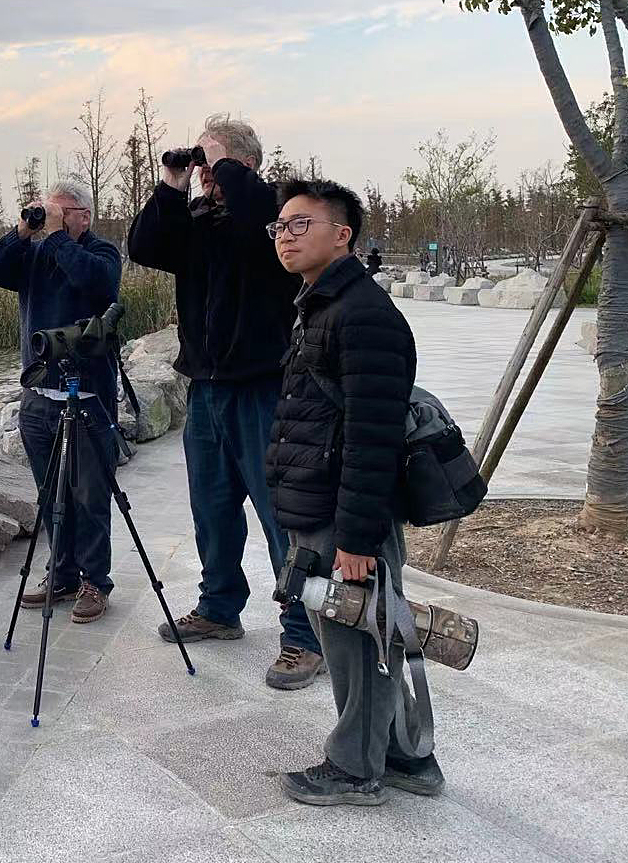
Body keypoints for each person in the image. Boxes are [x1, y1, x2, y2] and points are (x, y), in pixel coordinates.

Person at [127, 114, 323, 690]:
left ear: (241, 165)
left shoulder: (276, 216)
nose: (205, 174)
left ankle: (304, 635)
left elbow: (258, 214)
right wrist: (171, 185)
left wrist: (228, 167)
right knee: (211, 508)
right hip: (206, 390)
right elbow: (144, 245)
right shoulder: (199, 223)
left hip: (264, 389)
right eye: (203, 165)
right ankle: (219, 607)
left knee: (282, 516)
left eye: (213, 164)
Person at [265, 179, 444, 805]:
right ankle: (405, 760)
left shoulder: (362, 314)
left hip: (344, 514)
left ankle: (355, 771)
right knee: (368, 632)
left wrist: (358, 539)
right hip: (321, 500)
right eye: (280, 226)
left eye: (299, 224)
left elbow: (373, 438)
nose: (285, 235)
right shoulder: (321, 304)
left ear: (341, 234)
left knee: (355, 642)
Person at [0, 179, 121, 624]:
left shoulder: (102, 253)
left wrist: (57, 236)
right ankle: (62, 573)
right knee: (49, 494)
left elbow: (94, 282)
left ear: (83, 215)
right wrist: (23, 230)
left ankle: (95, 581)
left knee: (89, 494)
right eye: (48, 211)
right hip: (38, 396)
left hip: (87, 397)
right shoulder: (35, 254)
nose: (52, 219)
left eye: (62, 212)